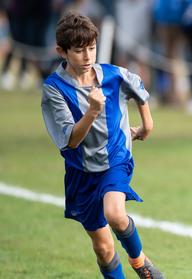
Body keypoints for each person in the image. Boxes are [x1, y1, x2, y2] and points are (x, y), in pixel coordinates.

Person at [41, 13, 163, 279]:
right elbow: (70, 139)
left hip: (115, 158)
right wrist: (93, 111)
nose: (87, 57)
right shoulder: (54, 89)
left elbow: (139, 89)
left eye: (92, 48)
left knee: (115, 214)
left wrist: (147, 126)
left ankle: (141, 263)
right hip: (81, 173)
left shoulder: (113, 75)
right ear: (62, 51)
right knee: (104, 249)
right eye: (79, 51)